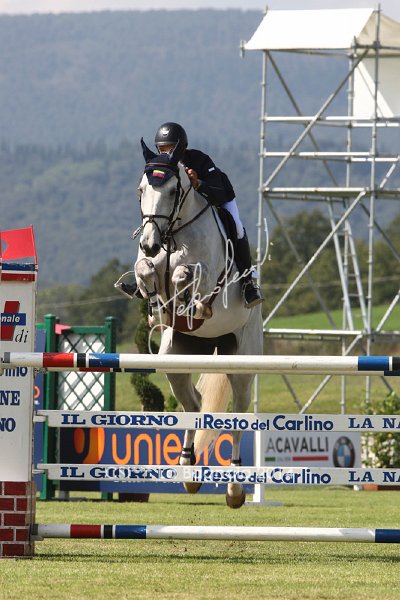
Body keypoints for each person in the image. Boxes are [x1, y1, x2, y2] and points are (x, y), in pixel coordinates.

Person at [122, 122, 264, 308]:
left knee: (237, 228)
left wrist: (198, 184)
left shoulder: (199, 160)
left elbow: (218, 192)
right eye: (162, 149)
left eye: (171, 148)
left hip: (219, 197)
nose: (166, 153)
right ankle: (143, 281)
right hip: (180, 213)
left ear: (182, 148)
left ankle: (247, 283)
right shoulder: (160, 166)